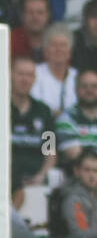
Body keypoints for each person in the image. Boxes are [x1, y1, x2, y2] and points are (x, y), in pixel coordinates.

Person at [10, 55, 57, 187]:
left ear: (35, 79)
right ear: (10, 75)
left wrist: (41, 176)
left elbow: (50, 151)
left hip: (34, 182)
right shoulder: (2, 108)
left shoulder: (44, 111)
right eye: (21, 74)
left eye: (30, 75)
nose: (25, 79)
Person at [54, 67, 97, 163]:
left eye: (94, 86)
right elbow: (75, 155)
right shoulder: (66, 118)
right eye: (84, 86)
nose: (89, 90)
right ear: (76, 89)